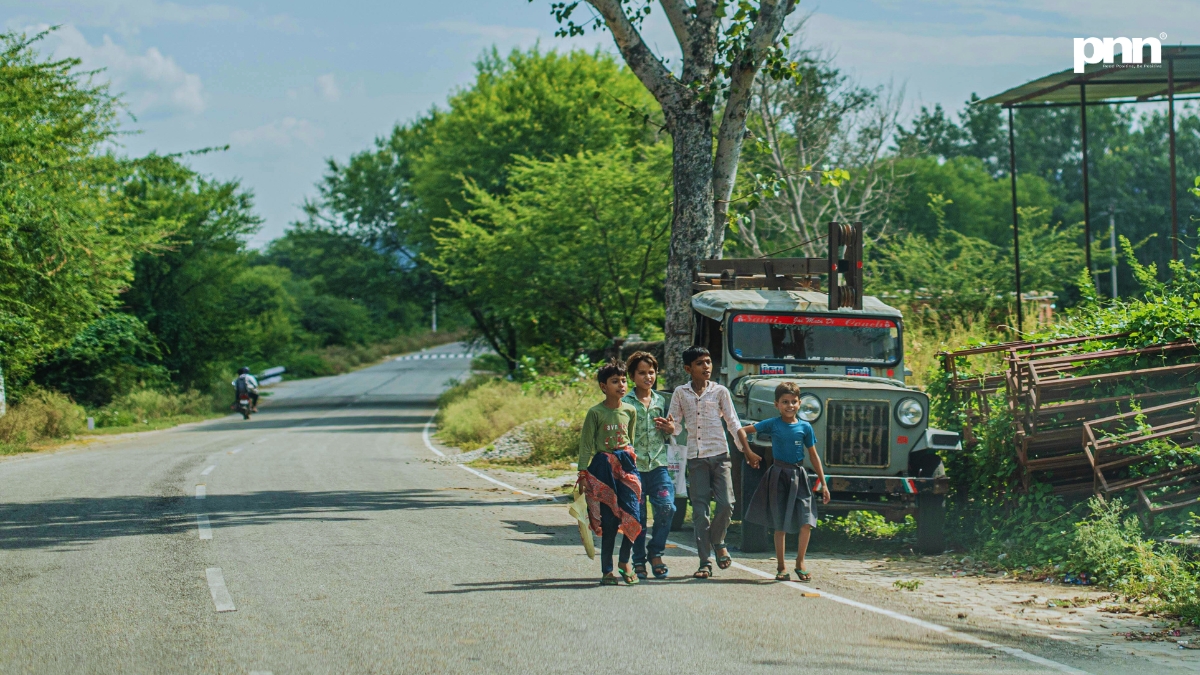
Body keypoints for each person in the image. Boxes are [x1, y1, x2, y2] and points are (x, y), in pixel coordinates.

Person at [666, 346, 759, 579]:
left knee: (727, 504)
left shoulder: (720, 392)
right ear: (688, 368)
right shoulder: (680, 393)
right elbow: (675, 425)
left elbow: (733, 422)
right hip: (696, 459)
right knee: (700, 512)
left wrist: (747, 451)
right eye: (699, 363)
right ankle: (705, 562)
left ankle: (718, 541)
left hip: (720, 455)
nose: (706, 366)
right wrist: (669, 427)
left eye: (708, 362)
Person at [737, 381, 831, 582]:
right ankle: (781, 566)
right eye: (785, 402)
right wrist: (749, 452)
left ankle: (800, 562)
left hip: (799, 476)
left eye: (794, 402)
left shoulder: (805, 427)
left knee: (806, 521)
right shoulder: (773, 424)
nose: (790, 406)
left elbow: (813, 455)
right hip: (778, 476)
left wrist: (823, 484)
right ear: (776, 404)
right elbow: (742, 431)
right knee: (780, 524)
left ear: (799, 403)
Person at [577, 358, 642, 586]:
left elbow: (630, 441)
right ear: (603, 386)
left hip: (626, 467)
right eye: (615, 381)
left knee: (634, 516)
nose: (621, 385)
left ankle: (624, 561)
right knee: (610, 522)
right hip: (603, 468)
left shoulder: (631, 410)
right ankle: (607, 571)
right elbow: (586, 445)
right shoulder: (595, 412)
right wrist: (582, 474)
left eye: (623, 380)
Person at [621, 351, 676, 580]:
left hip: (658, 465)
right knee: (638, 516)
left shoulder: (661, 401)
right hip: (633, 468)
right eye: (642, 373)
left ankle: (656, 552)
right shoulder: (625, 403)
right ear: (632, 376)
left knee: (667, 507)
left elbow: (671, 429)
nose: (648, 377)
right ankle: (638, 559)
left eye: (651, 372)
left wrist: (670, 429)